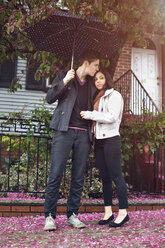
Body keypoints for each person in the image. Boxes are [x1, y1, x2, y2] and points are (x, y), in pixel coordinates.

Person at [44, 49, 100, 231]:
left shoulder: (92, 84)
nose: (97, 69)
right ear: (86, 63)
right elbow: (50, 98)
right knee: (56, 174)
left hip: (83, 134)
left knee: (78, 176)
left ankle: (72, 215)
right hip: (64, 131)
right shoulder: (64, 75)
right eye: (95, 65)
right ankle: (50, 216)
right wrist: (64, 81)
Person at [80, 67, 129, 228]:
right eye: (96, 79)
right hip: (99, 141)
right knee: (105, 177)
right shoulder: (98, 97)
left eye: (101, 78)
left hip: (111, 140)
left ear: (107, 79)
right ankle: (108, 212)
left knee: (116, 176)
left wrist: (90, 114)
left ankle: (123, 213)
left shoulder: (114, 95)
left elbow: (111, 117)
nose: (98, 81)